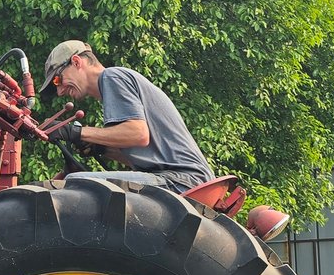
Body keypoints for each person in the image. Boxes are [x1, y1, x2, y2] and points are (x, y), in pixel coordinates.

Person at [39, 40, 213, 194]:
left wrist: (74, 132)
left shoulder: (112, 77)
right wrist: (101, 149)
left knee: (76, 184)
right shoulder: (114, 88)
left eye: (57, 80)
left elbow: (138, 135)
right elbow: (146, 158)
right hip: (184, 179)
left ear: (76, 62)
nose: (60, 91)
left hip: (181, 180)